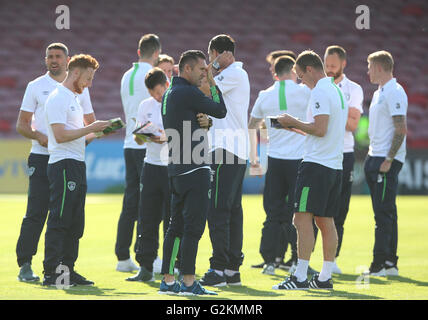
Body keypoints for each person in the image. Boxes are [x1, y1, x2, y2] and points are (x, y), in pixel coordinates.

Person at [15, 43, 96, 282]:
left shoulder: (80, 89)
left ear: (67, 60)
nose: (53, 60)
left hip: (69, 156)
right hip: (42, 157)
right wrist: (41, 137)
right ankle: (26, 264)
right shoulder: (36, 86)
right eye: (49, 56)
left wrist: (90, 135)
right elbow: (22, 124)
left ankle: (64, 268)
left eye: (58, 56)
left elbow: (88, 123)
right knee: (37, 211)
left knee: (69, 214)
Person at [272, 50, 348, 290]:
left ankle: (300, 276)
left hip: (316, 165)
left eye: (300, 76)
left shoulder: (320, 91)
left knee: (300, 218)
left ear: (310, 70)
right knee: (326, 221)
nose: (300, 81)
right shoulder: (336, 89)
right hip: (334, 165)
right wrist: (292, 127)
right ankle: (324, 277)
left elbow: (321, 128)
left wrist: (292, 121)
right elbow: (322, 130)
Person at [158, 50, 227, 296]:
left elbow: (186, 122)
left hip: (176, 168)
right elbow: (220, 110)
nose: (204, 73)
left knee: (174, 227)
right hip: (195, 167)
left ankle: (167, 282)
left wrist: (203, 124)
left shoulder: (169, 93)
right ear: (186, 69)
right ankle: (188, 282)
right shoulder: (189, 92)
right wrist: (213, 82)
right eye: (201, 69)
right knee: (193, 228)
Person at [42, 54, 111, 286]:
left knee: (75, 223)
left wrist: (98, 132)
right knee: (60, 219)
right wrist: (90, 127)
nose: (90, 84)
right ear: (77, 73)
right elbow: (60, 136)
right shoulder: (57, 97)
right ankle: (51, 273)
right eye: (89, 78)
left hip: (76, 163)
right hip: (63, 165)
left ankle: (67, 271)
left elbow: (78, 138)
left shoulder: (73, 98)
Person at [248, 55, 310, 276]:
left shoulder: (265, 95)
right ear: (293, 71)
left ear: (274, 73)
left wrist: (254, 159)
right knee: (300, 212)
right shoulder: (305, 91)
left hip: (275, 160)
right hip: (300, 161)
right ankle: (297, 259)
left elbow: (252, 126)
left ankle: (270, 261)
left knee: (272, 213)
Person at [199, 34, 250, 287]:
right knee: (232, 211)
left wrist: (215, 65)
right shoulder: (237, 75)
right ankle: (231, 269)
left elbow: (204, 85)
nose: (209, 62)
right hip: (235, 150)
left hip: (225, 149)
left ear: (218, 53)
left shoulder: (233, 74)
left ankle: (217, 269)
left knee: (217, 209)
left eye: (210, 56)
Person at [116, 34, 162, 273]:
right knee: (149, 205)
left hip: (128, 144)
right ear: (156, 54)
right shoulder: (150, 78)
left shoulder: (126, 75)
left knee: (130, 202)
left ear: (138, 51)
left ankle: (123, 257)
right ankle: (149, 257)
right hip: (146, 146)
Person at [364, 50, 407, 277]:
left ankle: (379, 264)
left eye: (369, 66)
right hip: (376, 156)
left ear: (379, 67)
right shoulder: (381, 91)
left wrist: (389, 159)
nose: (367, 70)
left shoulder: (395, 92)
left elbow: (400, 129)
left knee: (383, 214)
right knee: (387, 212)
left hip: (385, 159)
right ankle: (390, 263)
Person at [125, 68, 170, 282]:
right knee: (147, 219)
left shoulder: (176, 103)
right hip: (151, 166)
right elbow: (137, 138)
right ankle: (145, 267)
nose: (156, 96)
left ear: (166, 84)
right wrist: (145, 135)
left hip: (172, 166)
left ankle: (172, 267)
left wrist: (164, 136)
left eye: (158, 91)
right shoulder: (145, 105)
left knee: (172, 220)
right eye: (152, 93)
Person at [324, 45, 364, 274]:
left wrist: (326, 117)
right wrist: (340, 115)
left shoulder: (354, 89)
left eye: (332, 65)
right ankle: (302, 259)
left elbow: (353, 125)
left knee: (340, 209)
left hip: (344, 154)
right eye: (326, 65)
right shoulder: (318, 86)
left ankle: (331, 260)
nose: (328, 69)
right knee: (310, 209)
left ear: (343, 64)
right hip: (320, 154)